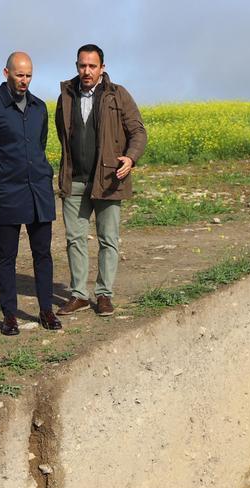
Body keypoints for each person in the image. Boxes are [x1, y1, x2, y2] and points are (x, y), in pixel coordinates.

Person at [55, 44, 146, 317]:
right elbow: (64, 136)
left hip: (108, 178)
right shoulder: (66, 95)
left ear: (102, 68)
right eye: (82, 65)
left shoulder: (118, 95)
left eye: (92, 66)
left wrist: (130, 158)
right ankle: (79, 295)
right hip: (75, 180)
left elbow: (138, 132)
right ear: (76, 66)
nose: (87, 71)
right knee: (75, 239)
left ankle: (104, 294)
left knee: (108, 239)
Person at [0, 52, 60, 336]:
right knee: (6, 258)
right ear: (6, 73)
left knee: (43, 254)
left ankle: (46, 310)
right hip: (8, 193)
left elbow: (39, 144)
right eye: (19, 75)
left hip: (39, 191)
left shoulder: (39, 108)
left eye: (28, 75)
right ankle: (9, 315)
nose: (24, 81)